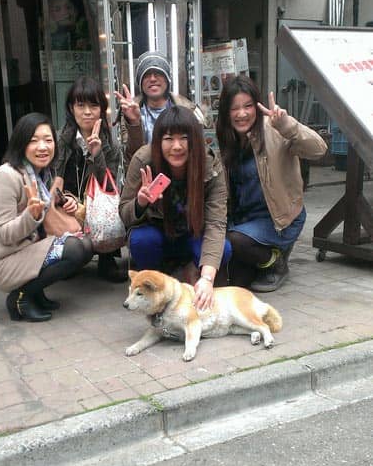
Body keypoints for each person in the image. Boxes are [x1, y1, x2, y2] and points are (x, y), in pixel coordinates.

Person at [0, 113, 94, 322]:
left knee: (86, 245)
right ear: (21, 144)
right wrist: (31, 215)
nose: (42, 147)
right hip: (0, 259)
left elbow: (45, 212)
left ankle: (36, 293)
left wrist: (65, 203)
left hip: (24, 247)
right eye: (34, 140)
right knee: (74, 250)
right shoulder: (4, 176)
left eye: (48, 140)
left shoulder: (40, 174)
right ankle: (21, 298)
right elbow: (3, 234)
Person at [216, 75, 328, 292]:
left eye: (248, 106)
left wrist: (288, 126)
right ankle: (260, 260)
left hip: (279, 220)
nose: (241, 114)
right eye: (234, 108)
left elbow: (319, 149)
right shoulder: (225, 137)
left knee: (233, 241)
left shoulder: (275, 129)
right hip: (243, 219)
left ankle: (276, 262)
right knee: (237, 281)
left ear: (257, 106)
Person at [119, 105, 231, 312]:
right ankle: (156, 285)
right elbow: (124, 214)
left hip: (193, 234)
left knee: (223, 249)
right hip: (158, 234)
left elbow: (216, 223)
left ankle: (192, 271)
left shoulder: (210, 165)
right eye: (169, 139)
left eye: (184, 138)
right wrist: (140, 203)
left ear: (195, 140)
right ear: (158, 140)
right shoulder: (143, 160)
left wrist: (207, 279)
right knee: (141, 240)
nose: (177, 146)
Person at [54, 76, 127, 282]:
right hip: (67, 204)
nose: (87, 112)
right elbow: (53, 179)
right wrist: (64, 199)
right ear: (71, 108)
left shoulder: (110, 143)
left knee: (112, 206)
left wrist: (97, 153)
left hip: (96, 204)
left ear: (101, 109)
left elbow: (108, 184)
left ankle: (106, 260)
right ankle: (70, 257)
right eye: (81, 105)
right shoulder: (60, 140)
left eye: (93, 106)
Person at [115, 50, 209, 167]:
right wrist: (134, 123)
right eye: (147, 75)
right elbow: (131, 156)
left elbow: (200, 153)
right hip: (146, 174)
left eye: (158, 73)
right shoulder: (130, 112)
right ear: (140, 81)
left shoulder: (188, 110)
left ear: (167, 78)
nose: (153, 79)